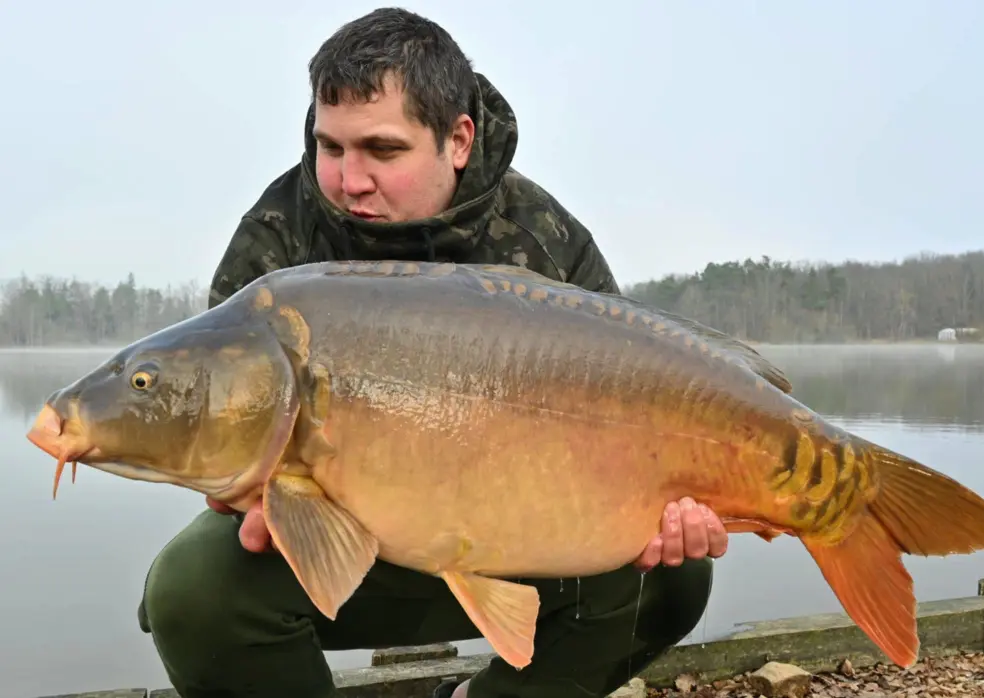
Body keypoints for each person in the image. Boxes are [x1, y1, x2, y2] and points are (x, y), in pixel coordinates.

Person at [136, 8, 729, 698]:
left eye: (382, 151)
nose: (349, 180)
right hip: (345, 541)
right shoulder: (278, 239)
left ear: (458, 140)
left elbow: (638, 400)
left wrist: (667, 505)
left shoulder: (543, 241)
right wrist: (250, 495)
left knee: (675, 574)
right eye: (331, 147)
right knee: (191, 591)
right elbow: (221, 428)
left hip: (524, 535)